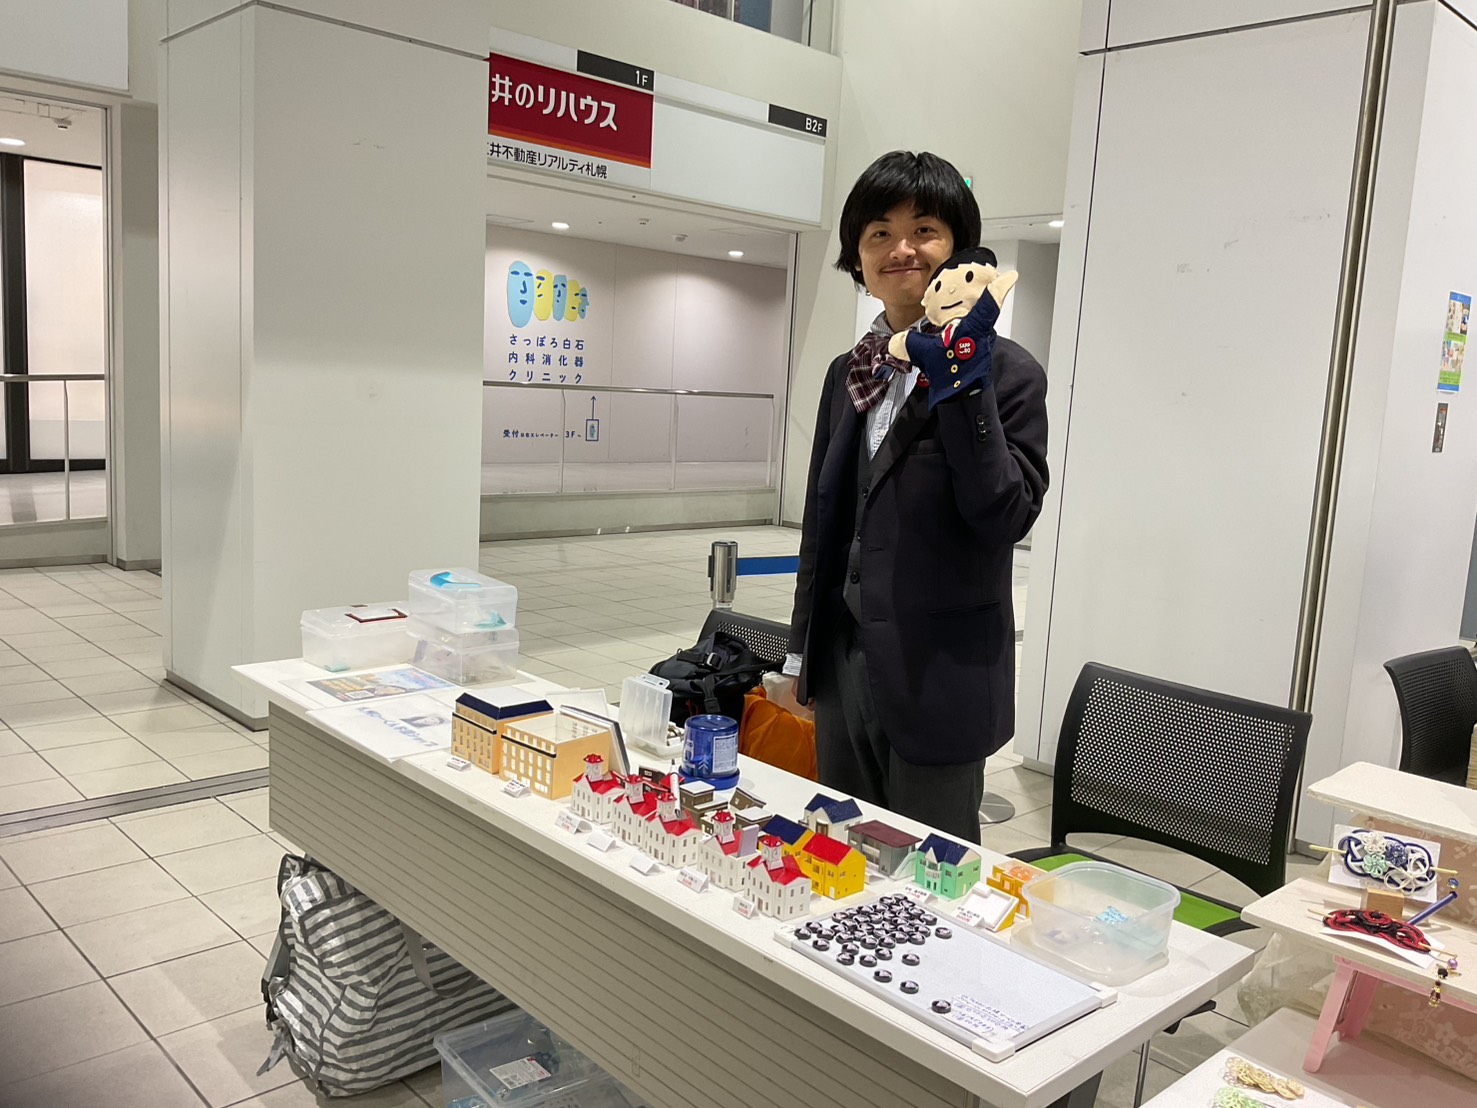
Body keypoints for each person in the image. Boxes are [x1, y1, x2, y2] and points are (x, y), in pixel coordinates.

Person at [786, 150, 1049, 843]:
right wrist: (799, 656)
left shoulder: (1009, 372)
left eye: (923, 230)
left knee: (932, 871)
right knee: (840, 849)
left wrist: (963, 381)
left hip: (940, 672)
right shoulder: (848, 371)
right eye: (879, 233)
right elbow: (823, 519)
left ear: (960, 249)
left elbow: (1005, 514)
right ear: (858, 256)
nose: (901, 249)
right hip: (843, 663)